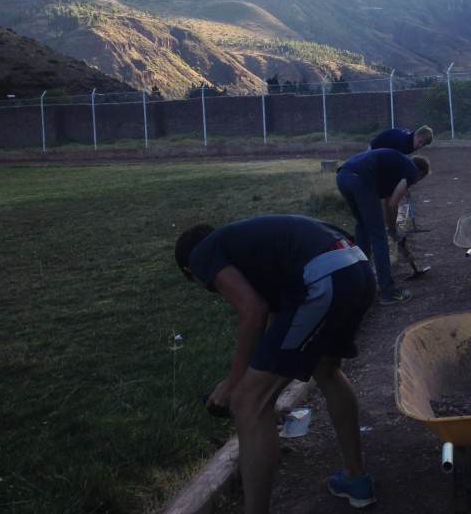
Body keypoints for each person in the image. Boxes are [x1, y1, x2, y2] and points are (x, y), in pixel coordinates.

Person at [174, 214, 378, 513]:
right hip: (356, 269)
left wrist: (236, 386)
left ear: (190, 270)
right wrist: (267, 391)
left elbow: (252, 311)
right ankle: (356, 478)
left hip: (324, 276)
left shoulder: (202, 253)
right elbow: (273, 326)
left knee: (246, 403)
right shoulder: (251, 249)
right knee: (327, 370)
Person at [336, 148, 430, 305]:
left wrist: (392, 227)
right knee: (378, 236)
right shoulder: (411, 170)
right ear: (420, 173)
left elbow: (388, 202)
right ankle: (387, 292)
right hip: (360, 179)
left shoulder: (394, 169)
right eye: (417, 181)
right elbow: (393, 204)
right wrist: (392, 231)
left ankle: (360, 283)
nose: (414, 183)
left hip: (342, 175)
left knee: (363, 229)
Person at [368, 125, 433, 154]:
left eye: (423, 144)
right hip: (374, 150)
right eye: (420, 142)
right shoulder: (406, 144)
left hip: (379, 149)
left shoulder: (410, 137)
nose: (420, 145)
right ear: (416, 135)